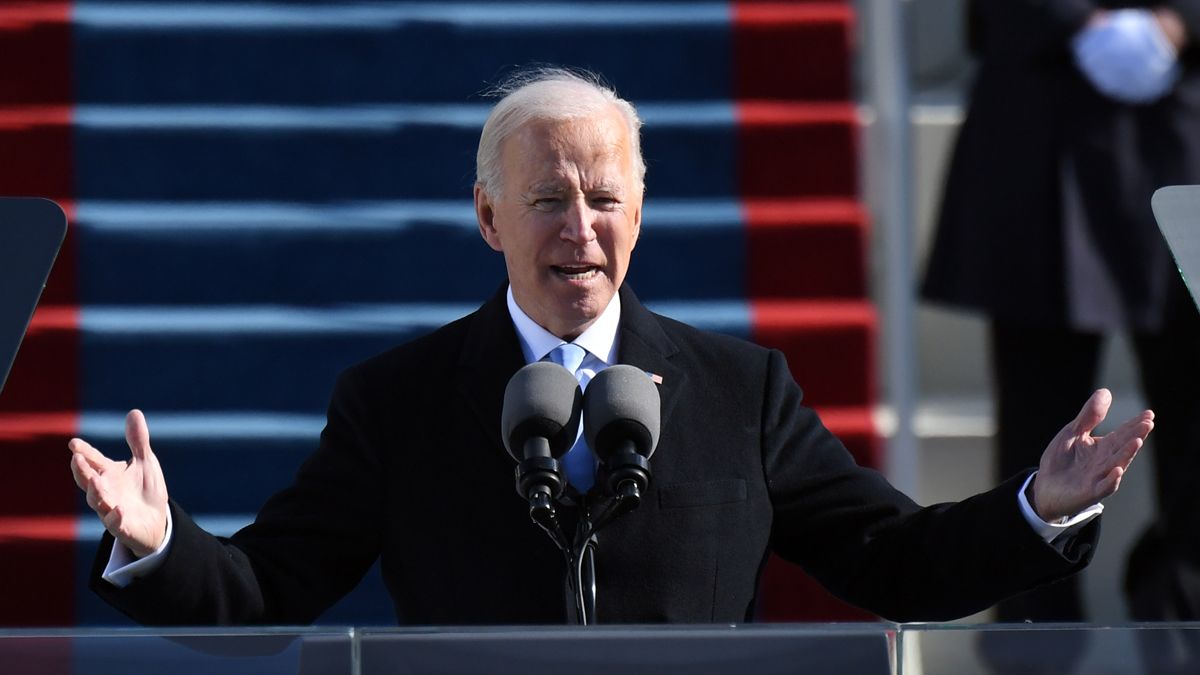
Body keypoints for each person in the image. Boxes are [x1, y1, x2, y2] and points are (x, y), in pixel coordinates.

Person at [70, 67, 1153, 626]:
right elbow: (271, 585)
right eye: (545, 200)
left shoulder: (741, 388)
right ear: (488, 219)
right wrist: (161, 541)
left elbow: (893, 561)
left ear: (640, 212)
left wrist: (1040, 509)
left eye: (602, 198)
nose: (577, 230)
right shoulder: (395, 400)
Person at [923, 0, 1200, 628]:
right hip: (1041, 132)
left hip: (1187, 124)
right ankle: (1034, 644)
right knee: (1041, 438)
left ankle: (1184, 624)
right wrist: (1069, 19)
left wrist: (1181, 20)